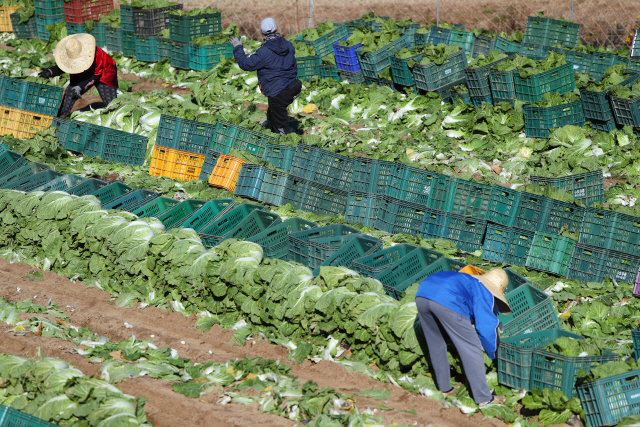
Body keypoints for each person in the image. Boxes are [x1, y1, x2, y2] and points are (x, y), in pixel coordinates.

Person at [414, 267, 511, 406]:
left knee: (436, 342)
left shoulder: (469, 280)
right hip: (447, 299)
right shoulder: (485, 292)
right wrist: (493, 353)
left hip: (423, 293)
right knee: (472, 348)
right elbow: (486, 328)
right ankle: (484, 399)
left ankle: (445, 389)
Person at [230, 17, 302, 135]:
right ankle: (270, 134)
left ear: (262, 32)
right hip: (293, 87)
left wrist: (238, 48)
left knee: (281, 129)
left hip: (277, 93)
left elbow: (246, 64)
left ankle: (287, 148)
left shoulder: (264, 51)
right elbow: (292, 65)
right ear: (276, 28)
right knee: (272, 114)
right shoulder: (288, 45)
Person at [39, 34, 118, 119]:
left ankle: (115, 118)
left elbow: (95, 76)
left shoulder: (96, 56)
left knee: (110, 101)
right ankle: (62, 117)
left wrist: (80, 87)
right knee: (70, 92)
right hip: (81, 71)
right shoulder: (71, 53)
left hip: (105, 72)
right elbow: (64, 65)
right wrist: (51, 71)